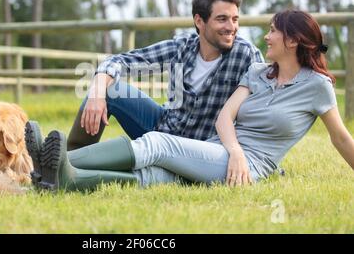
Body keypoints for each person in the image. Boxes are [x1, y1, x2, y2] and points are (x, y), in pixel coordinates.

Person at [26, 10, 354, 191]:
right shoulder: (259, 73)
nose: (265, 36)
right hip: (221, 150)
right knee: (156, 175)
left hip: (248, 168)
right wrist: (235, 150)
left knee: (158, 144)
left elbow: (340, 137)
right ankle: (65, 178)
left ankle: (56, 163)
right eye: (223, 19)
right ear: (200, 21)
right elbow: (225, 118)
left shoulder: (316, 86)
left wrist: (242, 158)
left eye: (272, 31)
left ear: (294, 40)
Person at [67, 0, 263, 151]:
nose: (231, 27)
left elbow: (264, 109)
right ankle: (69, 158)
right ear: (199, 21)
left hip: (200, 149)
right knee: (109, 89)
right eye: (222, 19)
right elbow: (120, 61)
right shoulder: (182, 47)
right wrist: (96, 94)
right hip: (163, 128)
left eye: (235, 19)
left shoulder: (246, 56)